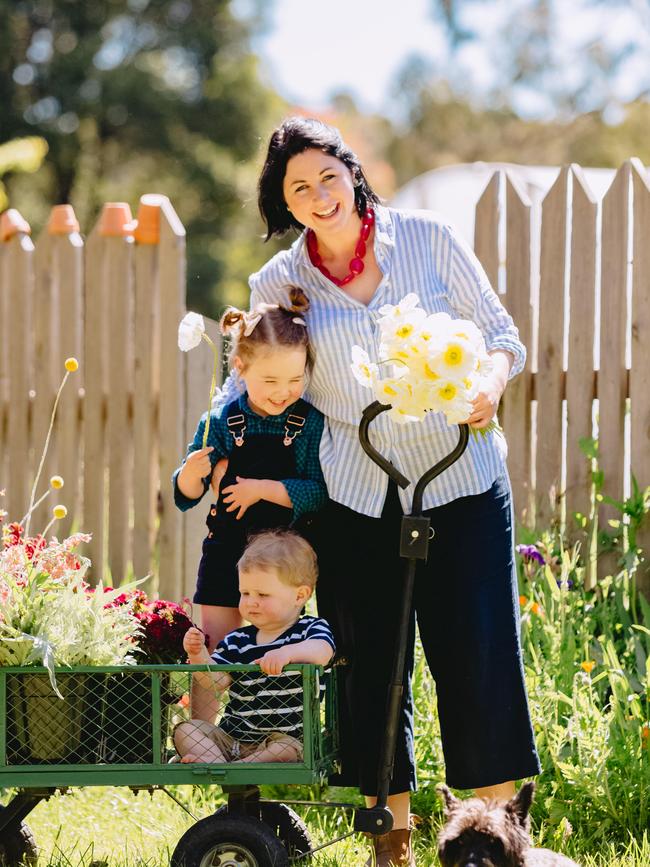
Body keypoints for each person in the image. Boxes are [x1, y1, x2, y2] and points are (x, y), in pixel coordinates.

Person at [214, 116, 541, 867]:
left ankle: (488, 848)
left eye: (328, 175)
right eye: (299, 187)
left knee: (477, 659)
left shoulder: (427, 238)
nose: (319, 194)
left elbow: (501, 333)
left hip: (460, 479)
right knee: (370, 669)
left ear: (352, 175)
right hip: (360, 495)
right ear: (285, 203)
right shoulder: (279, 282)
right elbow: (258, 386)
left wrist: (488, 383)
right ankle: (388, 845)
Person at [173, 287, 327, 654]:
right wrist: (191, 472)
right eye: (270, 381)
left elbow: (318, 492)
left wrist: (260, 489)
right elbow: (185, 496)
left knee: (275, 648)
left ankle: (274, 710)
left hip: (281, 559)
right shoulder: (221, 422)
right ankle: (202, 714)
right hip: (225, 547)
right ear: (240, 367)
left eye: (295, 380)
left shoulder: (308, 423)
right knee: (212, 645)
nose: (284, 392)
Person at [174, 529, 336, 763]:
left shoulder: (309, 630)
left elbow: (323, 652)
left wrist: (287, 653)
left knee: (289, 748)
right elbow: (215, 681)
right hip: (233, 739)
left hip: (281, 739)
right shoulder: (237, 641)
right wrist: (198, 654)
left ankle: (237, 768)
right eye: (245, 593)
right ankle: (217, 762)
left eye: (262, 594)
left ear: (300, 596)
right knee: (185, 729)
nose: (251, 602)